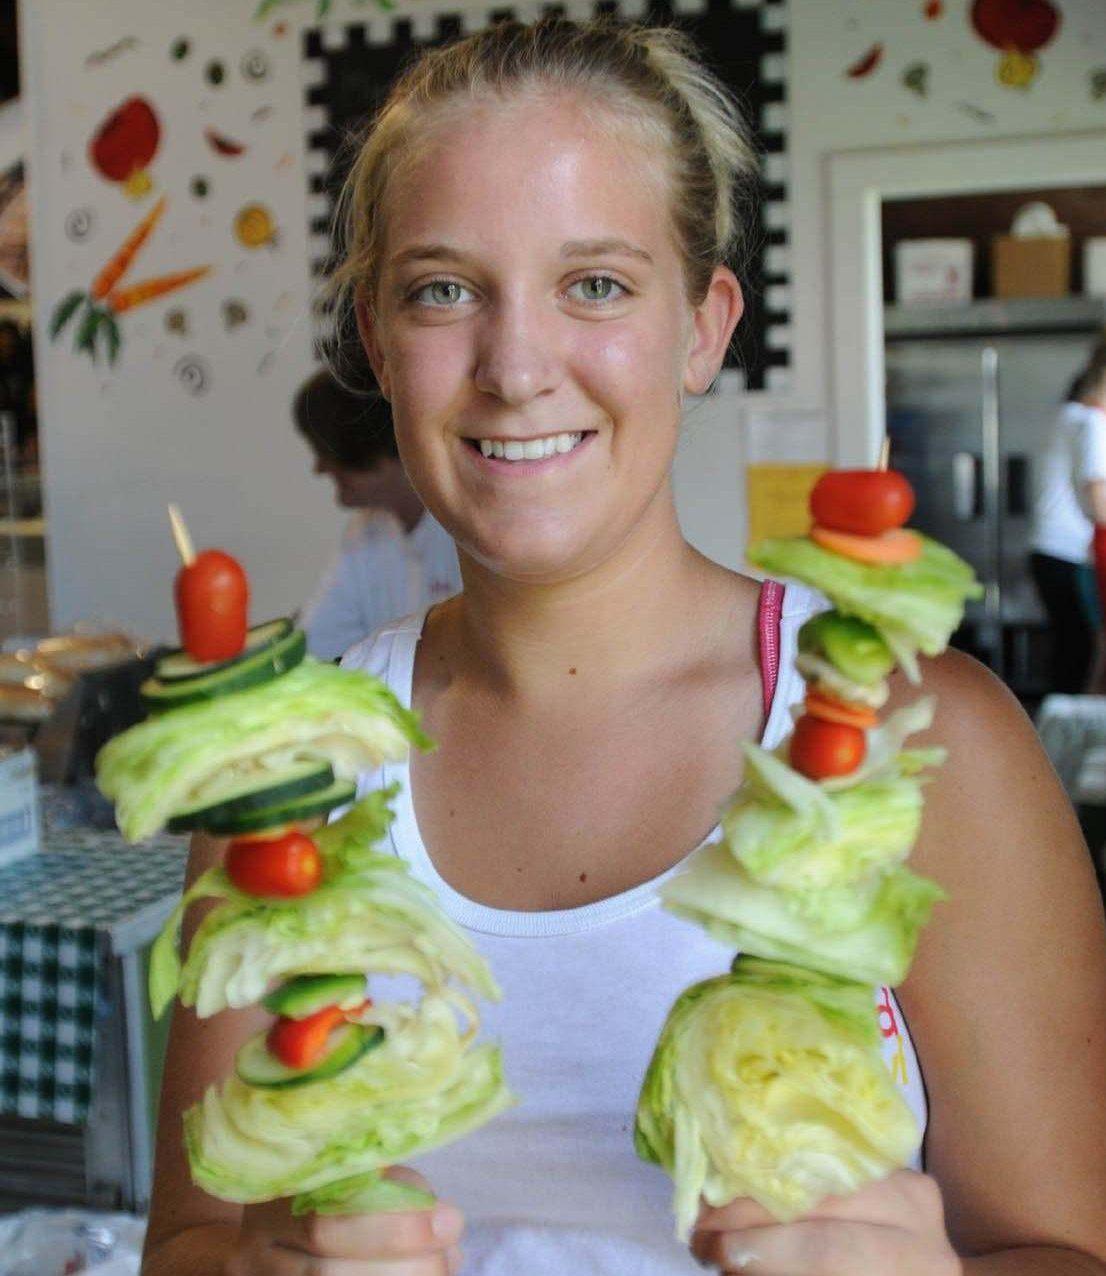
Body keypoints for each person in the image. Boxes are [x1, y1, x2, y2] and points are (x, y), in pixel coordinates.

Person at [142, 18, 1106, 1275]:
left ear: (701, 328)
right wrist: (246, 1266)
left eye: (593, 283)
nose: (515, 365)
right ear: (379, 344)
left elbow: (1065, 1249)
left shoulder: (929, 745)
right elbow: (185, 1242)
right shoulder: (289, 772)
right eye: (443, 289)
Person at [294, 366, 461, 659]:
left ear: (368, 445)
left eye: (324, 451)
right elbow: (311, 649)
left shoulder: (465, 531)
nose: (318, 468)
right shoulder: (364, 532)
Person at [1029, 343, 1106, 693]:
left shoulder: (1064, 417)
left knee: (1069, 648)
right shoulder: (1090, 422)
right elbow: (1096, 492)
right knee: (1083, 650)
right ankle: (1061, 741)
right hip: (1068, 551)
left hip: (1047, 550)